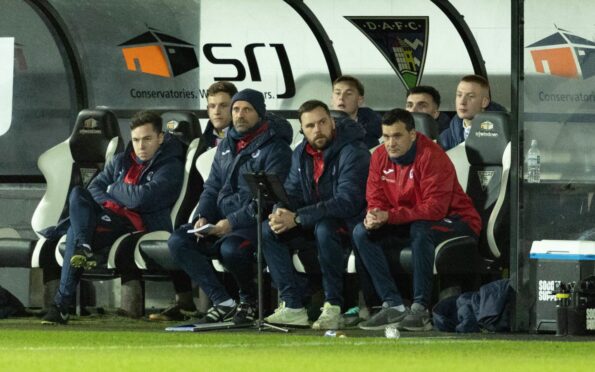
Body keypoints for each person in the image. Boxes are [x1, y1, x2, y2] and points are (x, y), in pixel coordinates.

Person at [42, 111, 185, 324]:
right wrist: (121, 195)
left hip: (134, 223)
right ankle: (83, 247)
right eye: (136, 140)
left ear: (160, 137)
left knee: (75, 230)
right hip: (106, 216)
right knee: (78, 194)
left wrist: (114, 189)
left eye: (147, 139)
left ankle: (61, 304)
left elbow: (141, 199)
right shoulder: (121, 161)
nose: (141, 146)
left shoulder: (170, 166)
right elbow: (94, 189)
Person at [167, 88, 293, 325]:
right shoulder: (226, 145)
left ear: (260, 113)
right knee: (178, 240)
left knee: (232, 249)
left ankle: (249, 302)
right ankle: (223, 302)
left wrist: (230, 223)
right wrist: (203, 215)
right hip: (220, 223)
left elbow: (267, 200)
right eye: (236, 109)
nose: (240, 115)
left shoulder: (276, 149)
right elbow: (212, 187)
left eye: (247, 109)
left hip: (251, 224)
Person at [352, 108, 481, 331]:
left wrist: (390, 216)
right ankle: (392, 304)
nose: (390, 143)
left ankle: (420, 308)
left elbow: (435, 209)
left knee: (421, 230)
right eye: (386, 137)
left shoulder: (431, 155)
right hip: (408, 221)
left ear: (412, 134)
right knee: (361, 232)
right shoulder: (380, 156)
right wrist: (373, 215)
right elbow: (375, 196)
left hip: (456, 220)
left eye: (397, 136)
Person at [261, 100, 370, 329]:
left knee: (325, 227)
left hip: (348, 225)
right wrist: (280, 211)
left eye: (322, 122)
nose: (317, 130)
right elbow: (292, 192)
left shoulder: (354, 150)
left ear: (332, 122)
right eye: (310, 126)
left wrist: (299, 218)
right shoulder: (301, 152)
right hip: (313, 220)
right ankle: (292, 306)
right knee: (268, 229)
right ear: (302, 130)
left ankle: (333, 306)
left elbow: (347, 201)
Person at [148, 81, 238, 322]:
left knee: (230, 248)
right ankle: (216, 302)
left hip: (239, 217)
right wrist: (200, 216)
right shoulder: (201, 143)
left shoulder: (245, 143)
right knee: (177, 234)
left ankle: (239, 304)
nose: (217, 111)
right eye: (211, 106)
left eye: (223, 105)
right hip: (209, 214)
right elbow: (201, 188)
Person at [439, 74, 505, 151]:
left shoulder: (503, 135)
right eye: (459, 95)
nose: (462, 102)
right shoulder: (446, 137)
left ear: (484, 102)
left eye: (470, 96)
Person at [331, 75, 382, 149]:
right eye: (338, 93)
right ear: (331, 99)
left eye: (348, 94)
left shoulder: (371, 132)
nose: (341, 97)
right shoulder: (321, 127)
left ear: (360, 100)